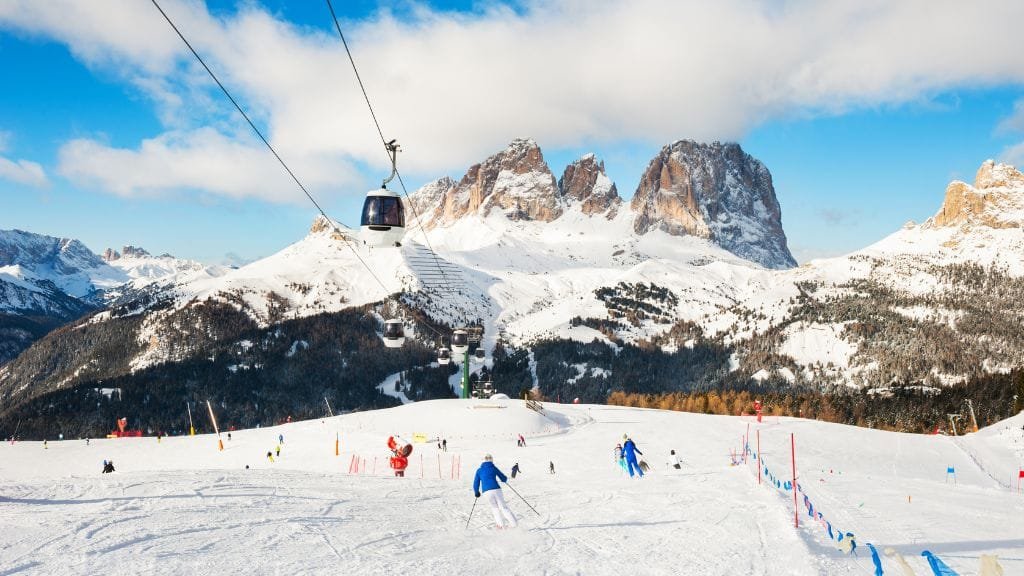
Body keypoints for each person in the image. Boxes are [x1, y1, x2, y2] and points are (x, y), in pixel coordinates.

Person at [473, 454, 517, 529]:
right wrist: (504, 479)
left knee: (495, 508)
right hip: (497, 489)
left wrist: (476, 492)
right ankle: (514, 524)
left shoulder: (479, 470)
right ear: (491, 460)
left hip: (486, 492)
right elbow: (503, 477)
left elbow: (476, 482)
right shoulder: (493, 468)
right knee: (503, 507)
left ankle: (501, 526)